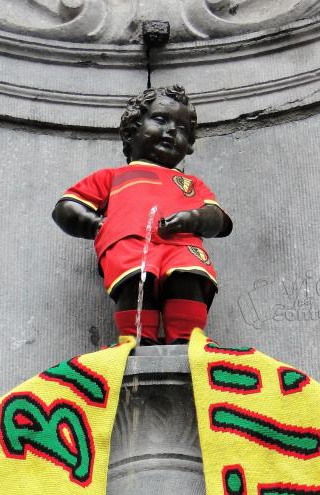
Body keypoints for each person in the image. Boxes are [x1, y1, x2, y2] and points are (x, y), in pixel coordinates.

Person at [52, 84, 232, 345]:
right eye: (160, 119)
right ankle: (138, 338)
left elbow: (218, 219)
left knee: (188, 278)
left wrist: (194, 218)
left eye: (182, 128)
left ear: (190, 145)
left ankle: (187, 338)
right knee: (136, 282)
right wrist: (98, 225)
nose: (172, 130)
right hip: (131, 244)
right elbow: (66, 207)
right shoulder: (112, 177)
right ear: (131, 130)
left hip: (181, 245)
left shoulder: (191, 184)